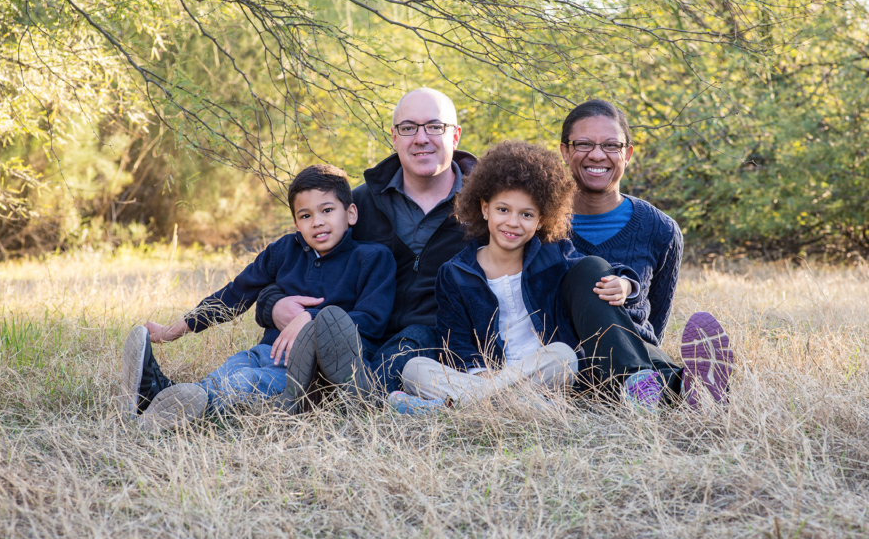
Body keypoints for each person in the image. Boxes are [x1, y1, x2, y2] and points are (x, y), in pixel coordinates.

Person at [118, 164, 396, 429]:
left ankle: (178, 404)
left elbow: (372, 321)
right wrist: (175, 329)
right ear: (296, 223)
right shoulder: (284, 251)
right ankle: (158, 394)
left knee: (245, 384)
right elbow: (236, 293)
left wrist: (309, 320)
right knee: (228, 372)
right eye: (306, 215)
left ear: (350, 214)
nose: (318, 222)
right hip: (266, 352)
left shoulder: (372, 258)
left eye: (327, 210)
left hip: (309, 373)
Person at [253, 88, 477, 405]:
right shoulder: (356, 204)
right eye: (409, 128)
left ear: (454, 136)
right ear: (394, 137)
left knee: (408, 345)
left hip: (431, 341)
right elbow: (294, 263)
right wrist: (272, 305)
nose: (421, 138)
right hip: (358, 333)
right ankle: (345, 392)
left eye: (434, 127)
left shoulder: (485, 207)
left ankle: (352, 396)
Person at [397, 141, 643, 409]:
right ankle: (516, 405)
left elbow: (593, 271)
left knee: (564, 355)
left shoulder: (554, 255)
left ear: (540, 221)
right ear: (484, 208)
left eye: (526, 214)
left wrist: (626, 283)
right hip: (487, 375)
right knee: (413, 367)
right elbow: (455, 342)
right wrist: (483, 376)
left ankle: (452, 406)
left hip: (544, 370)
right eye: (503, 210)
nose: (513, 222)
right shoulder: (455, 273)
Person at [559, 99, 734, 408]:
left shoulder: (660, 230)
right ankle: (678, 385)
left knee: (637, 342)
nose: (597, 154)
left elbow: (655, 322)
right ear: (565, 151)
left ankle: (650, 385)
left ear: (627, 154)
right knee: (589, 269)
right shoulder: (537, 223)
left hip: (633, 351)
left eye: (611, 145)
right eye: (584, 144)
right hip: (565, 361)